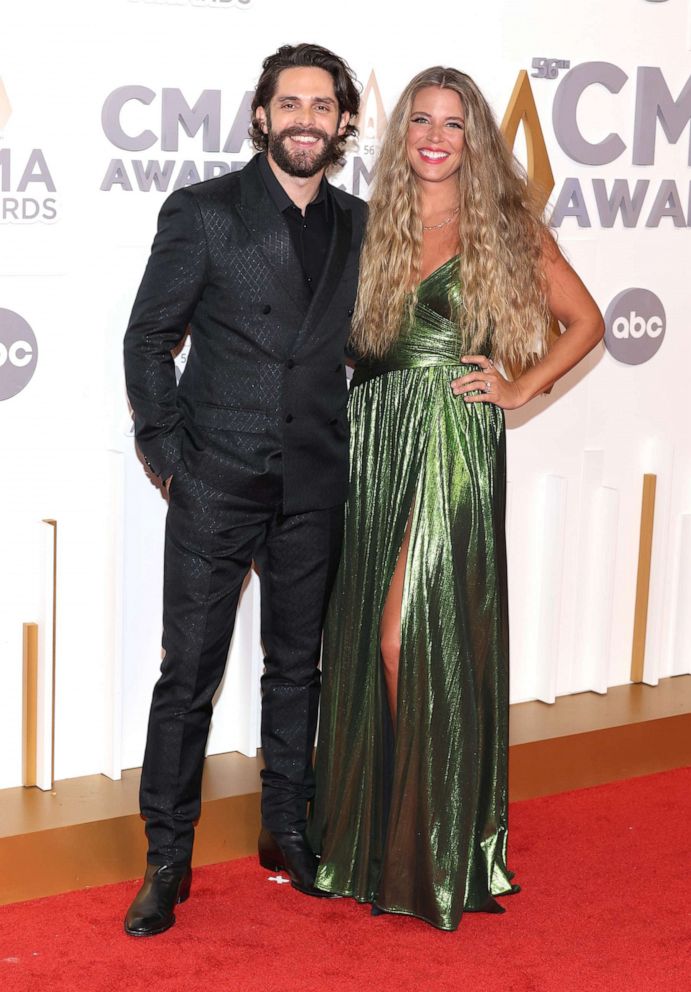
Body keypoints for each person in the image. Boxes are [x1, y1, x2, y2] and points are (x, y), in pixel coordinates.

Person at [308, 66, 604, 930]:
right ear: (400, 135)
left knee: (406, 638)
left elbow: (585, 324)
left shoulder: (505, 226)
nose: (435, 136)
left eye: (454, 122)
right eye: (421, 121)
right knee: (365, 638)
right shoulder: (372, 227)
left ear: (476, 138)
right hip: (373, 434)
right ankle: (374, 839)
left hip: (448, 439)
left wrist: (523, 387)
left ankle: (436, 839)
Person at [122, 43, 366, 937]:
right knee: (188, 676)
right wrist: (168, 456)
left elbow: (365, 346)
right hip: (217, 477)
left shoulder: (362, 223)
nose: (306, 119)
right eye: (288, 104)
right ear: (261, 116)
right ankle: (166, 857)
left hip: (311, 481)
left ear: (343, 122)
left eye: (322, 106)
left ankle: (284, 830)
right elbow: (148, 340)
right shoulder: (205, 212)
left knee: (295, 667)